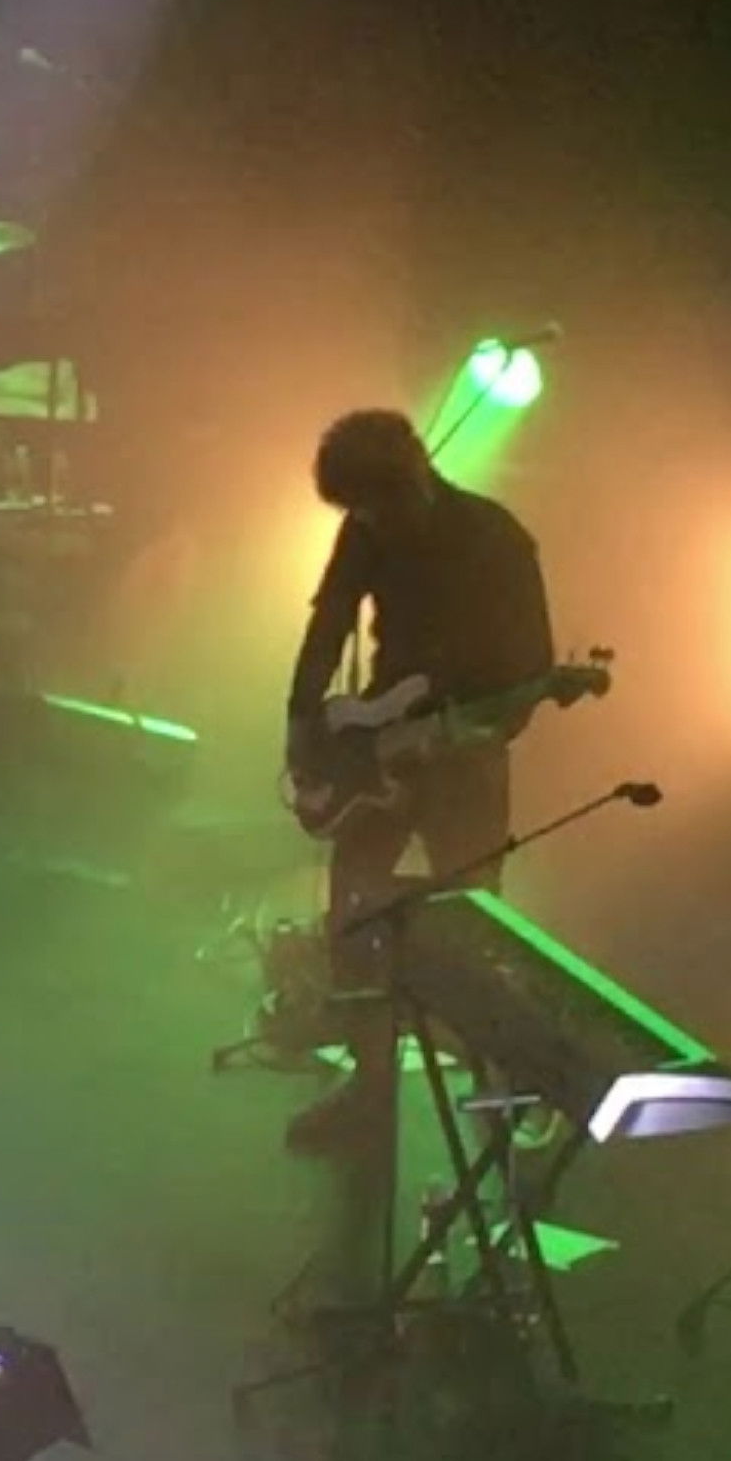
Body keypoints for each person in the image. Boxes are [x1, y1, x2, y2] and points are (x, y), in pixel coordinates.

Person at [280, 408, 555, 1154]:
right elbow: (329, 622)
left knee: (474, 922)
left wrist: (477, 731)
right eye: (356, 512)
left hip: (462, 757)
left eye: (376, 507)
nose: (368, 524)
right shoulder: (367, 530)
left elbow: (532, 670)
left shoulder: (497, 540)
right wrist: (305, 723)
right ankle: (367, 1092)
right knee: (352, 912)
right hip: (376, 746)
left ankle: (498, 1090)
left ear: (414, 482)